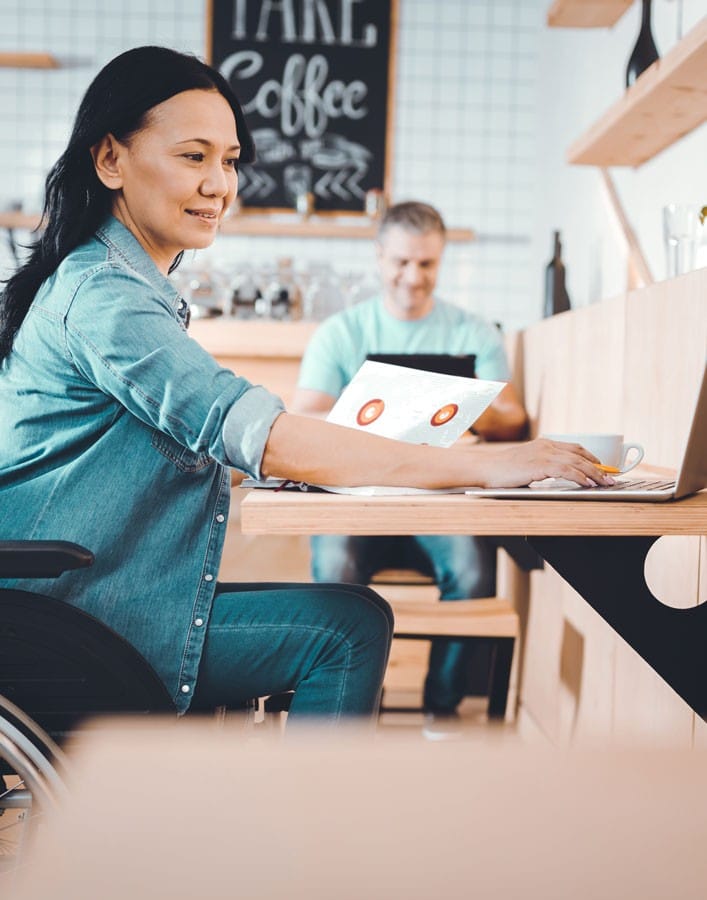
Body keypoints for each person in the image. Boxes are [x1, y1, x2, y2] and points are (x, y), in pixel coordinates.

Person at [0, 47, 610, 728]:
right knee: (344, 629)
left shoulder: (108, 283)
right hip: (74, 622)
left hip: (86, 601)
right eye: (193, 156)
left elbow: (141, 452)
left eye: (229, 160)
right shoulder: (108, 299)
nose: (219, 184)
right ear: (110, 159)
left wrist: (247, 468)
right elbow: (266, 435)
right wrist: (494, 462)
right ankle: (306, 833)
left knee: (346, 615)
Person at [291, 201, 530, 722]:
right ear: (378, 257)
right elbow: (304, 414)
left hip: (439, 499)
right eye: (401, 262)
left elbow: (512, 419)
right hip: (354, 501)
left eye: (426, 265)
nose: (413, 277)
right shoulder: (341, 331)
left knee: (472, 572)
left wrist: (459, 402)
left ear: (440, 262)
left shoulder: (473, 332)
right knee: (332, 570)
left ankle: (440, 711)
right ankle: (354, 714)